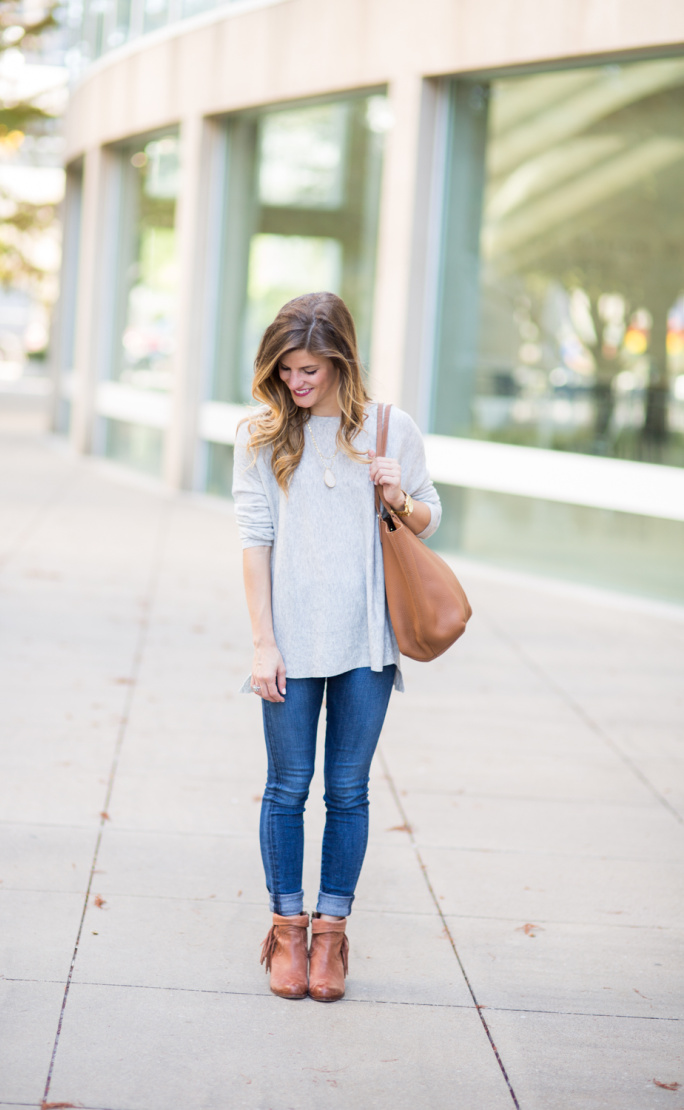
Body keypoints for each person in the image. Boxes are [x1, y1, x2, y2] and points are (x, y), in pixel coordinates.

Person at [232, 291, 441, 1002]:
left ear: (343, 362)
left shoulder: (390, 428)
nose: (297, 383)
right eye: (287, 370)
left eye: (311, 370)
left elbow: (429, 517)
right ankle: (286, 932)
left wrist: (397, 496)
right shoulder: (261, 435)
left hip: (367, 643)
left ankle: (331, 938)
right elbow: (254, 539)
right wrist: (263, 643)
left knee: (347, 793)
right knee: (288, 789)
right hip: (290, 639)